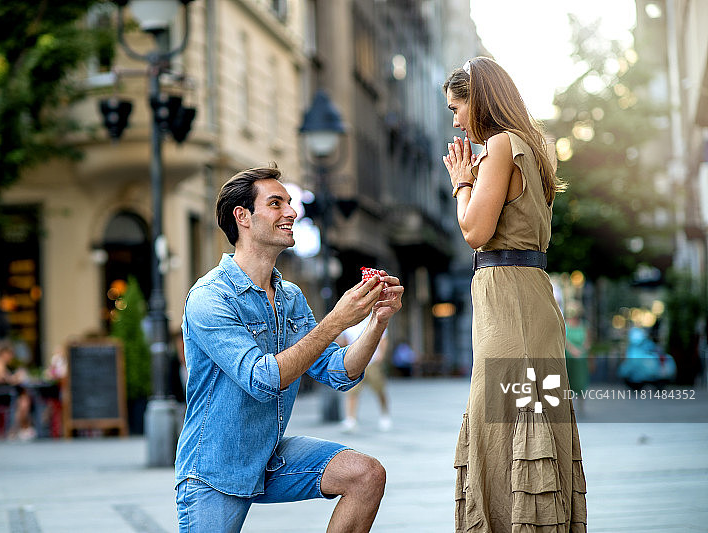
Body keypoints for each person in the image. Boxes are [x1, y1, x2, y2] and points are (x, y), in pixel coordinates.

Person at [175, 164, 404, 533]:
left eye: (291, 203)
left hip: (271, 455)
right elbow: (262, 379)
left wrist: (378, 320)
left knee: (365, 475)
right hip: (214, 469)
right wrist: (336, 321)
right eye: (276, 203)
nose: (292, 213)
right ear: (243, 217)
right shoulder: (209, 297)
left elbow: (338, 371)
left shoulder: (290, 296)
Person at [443, 57, 586, 532]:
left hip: (508, 301)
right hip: (533, 295)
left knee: (501, 422)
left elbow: (476, 231)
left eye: (457, 107)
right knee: (533, 413)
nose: (457, 120)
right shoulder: (540, 145)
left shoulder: (501, 146)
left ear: (479, 99)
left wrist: (462, 183)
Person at [338, 314, 392, 432]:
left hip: (372, 362)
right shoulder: (350, 322)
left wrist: (381, 355)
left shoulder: (376, 320)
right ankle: (351, 419)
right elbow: (346, 342)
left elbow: (383, 339)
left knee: (379, 390)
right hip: (355, 363)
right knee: (352, 391)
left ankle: (385, 415)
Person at [0, 340, 35, 440]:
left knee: (22, 398)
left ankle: (20, 428)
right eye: (10, 353)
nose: (11, 356)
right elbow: (6, 379)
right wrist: (18, 376)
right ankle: (18, 429)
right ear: (3, 353)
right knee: (23, 400)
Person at [564, 302, 591, 409]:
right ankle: (568, 405)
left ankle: (580, 405)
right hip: (568, 358)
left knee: (580, 382)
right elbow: (564, 341)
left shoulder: (584, 325)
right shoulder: (564, 325)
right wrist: (572, 350)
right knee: (567, 381)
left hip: (581, 359)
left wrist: (582, 350)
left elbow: (588, 341)